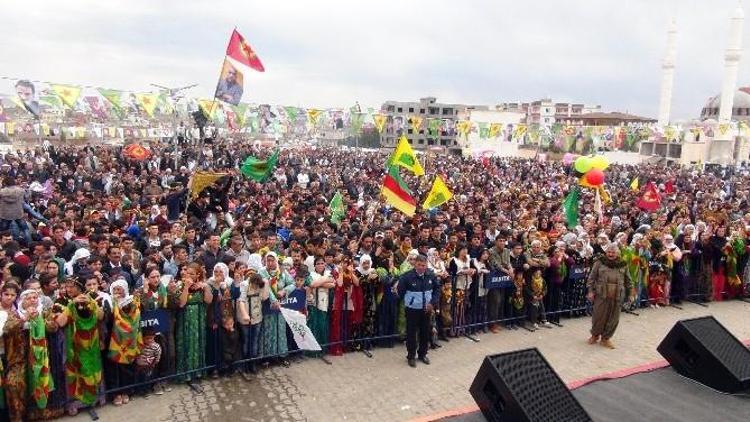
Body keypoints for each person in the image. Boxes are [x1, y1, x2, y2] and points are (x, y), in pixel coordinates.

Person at [586, 243, 632, 349]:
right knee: (598, 316)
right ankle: (595, 335)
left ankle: (606, 338)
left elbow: (628, 281)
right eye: (609, 252)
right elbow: (591, 278)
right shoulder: (599, 262)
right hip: (602, 294)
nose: (610, 254)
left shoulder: (623, 264)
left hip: (617, 295)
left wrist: (631, 294)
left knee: (614, 318)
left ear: (618, 253)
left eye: (613, 252)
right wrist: (590, 291)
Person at [397, 254, 440, 368]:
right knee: (411, 334)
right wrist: (409, 303)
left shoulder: (431, 275)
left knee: (425, 333)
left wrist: (432, 303)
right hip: (411, 310)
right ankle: (411, 356)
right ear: (415, 264)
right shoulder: (406, 277)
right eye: (419, 265)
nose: (421, 267)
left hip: (426, 309)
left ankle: (422, 354)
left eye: (423, 265)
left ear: (426, 265)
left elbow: (437, 290)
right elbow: (400, 293)